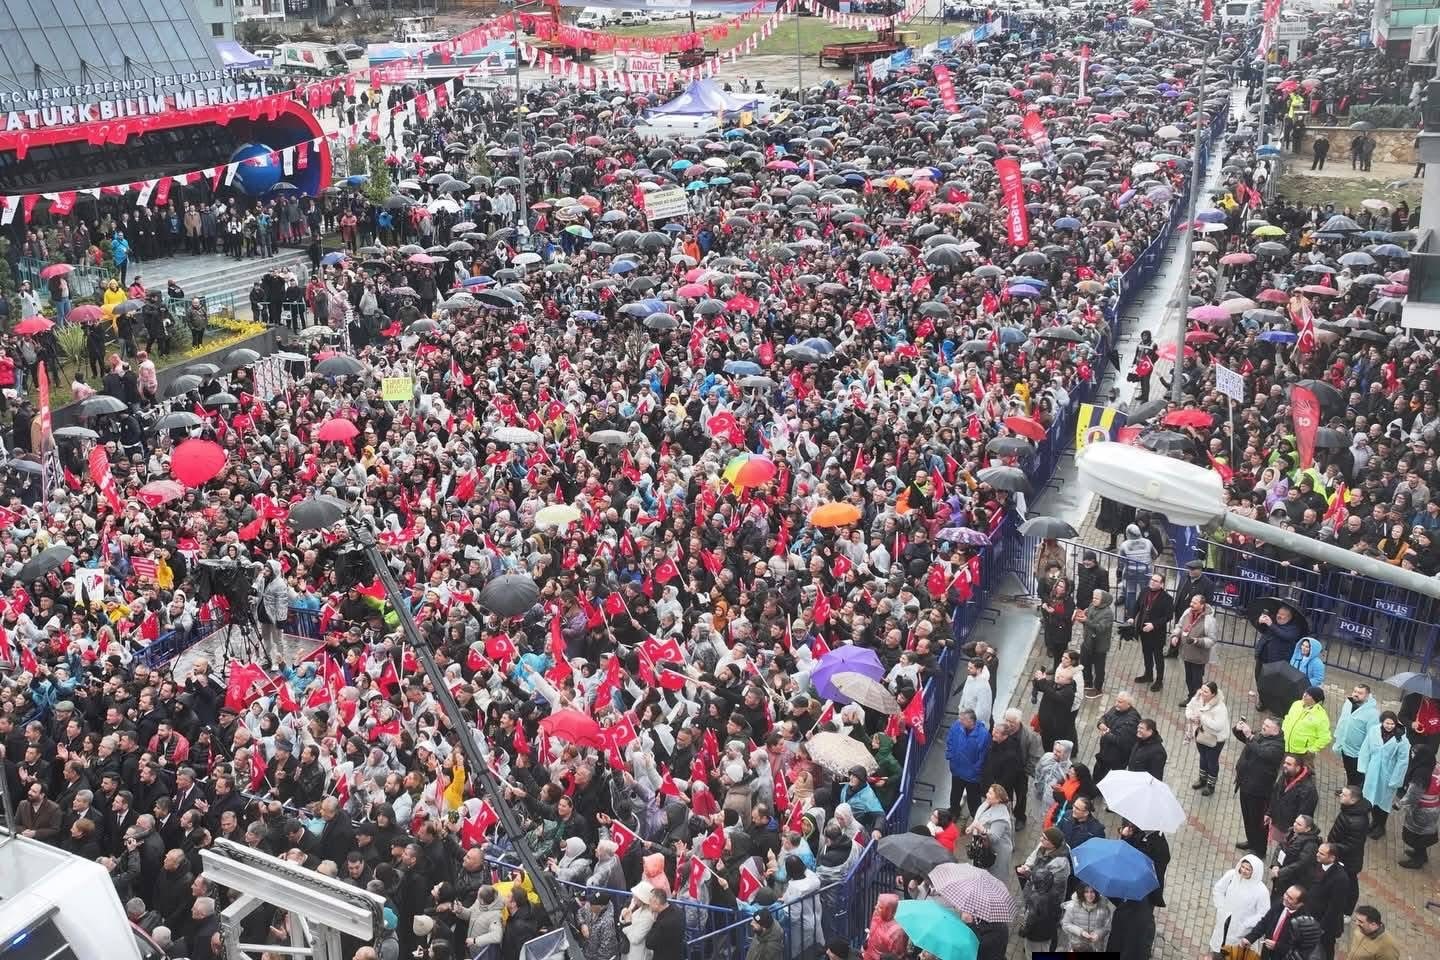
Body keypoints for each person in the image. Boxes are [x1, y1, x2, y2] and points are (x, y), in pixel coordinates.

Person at [1234, 716, 1286, 855]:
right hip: (1245, 784)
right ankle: (1251, 841)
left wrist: (1250, 736)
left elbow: (1262, 753)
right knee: (1247, 817)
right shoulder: (1261, 735)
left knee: (1258, 821)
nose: (1263, 727)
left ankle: (1260, 849)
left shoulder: (1278, 746)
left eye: (1267, 726)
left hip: (1259, 790)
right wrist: (1238, 729)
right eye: (1264, 724)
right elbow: (1246, 739)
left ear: (1276, 730)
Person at [1017, 827, 1071, 954]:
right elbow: (1033, 855)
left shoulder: (1060, 863)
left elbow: (1043, 880)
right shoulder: (1044, 846)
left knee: (1045, 923)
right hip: (1036, 891)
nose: (1041, 839)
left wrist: (1028, 873)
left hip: (1049, 899)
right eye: (1042, 836)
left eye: (1044, 838)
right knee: (1033, 915)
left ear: (1053, 844)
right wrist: (1027, 865)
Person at [1358, 710, 1410, 839]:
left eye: (1392, 724)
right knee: (1371, 800)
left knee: (1383, 803)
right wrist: (1363, 767)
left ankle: (1381, 826)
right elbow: (1366, 748)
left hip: (1388, 774)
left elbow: (1403, 761)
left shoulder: (1401, 738)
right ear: (1382, 722)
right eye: (1387, 723)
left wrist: (1395, 780)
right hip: (1373, 770)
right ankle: (1374, 822)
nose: (1389, 726)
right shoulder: (1374, 731)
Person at [1208, 854, 1269, 960]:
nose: (1244, 871)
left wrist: (1247, 924)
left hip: (1241, 930)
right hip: (1225, 920)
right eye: (1243, 867)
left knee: (1233, 954)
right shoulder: (1232, 875)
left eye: (1248, 869)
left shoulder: (1261, 891)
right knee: (1218, 947)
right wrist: (1221, 907)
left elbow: (1263, 913)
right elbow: (1218, 889)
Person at [1306, 842, 1357, 960]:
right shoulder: (1316, 864)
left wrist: (1321, 927)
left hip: (1325, 925)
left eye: (1322, 854)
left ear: (1332, 857)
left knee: (1325, 949)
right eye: (1318, 851)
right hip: (1310, 915)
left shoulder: (1341, 878)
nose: (1317, 855)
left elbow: (1335, 908)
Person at [1239, 885, 1314, 960]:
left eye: (1290, 898)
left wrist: (1278, 947)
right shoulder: (1279, 904)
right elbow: (1265, 922)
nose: (1285, 898)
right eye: (1286, 894)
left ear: (1300, 904)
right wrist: (1250, 938)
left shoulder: (1305, 922)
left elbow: (1301, 950)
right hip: (1266, 954)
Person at [1184, 681, 1231, 796]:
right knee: (1203, 757)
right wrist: (1192, 716)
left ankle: (1211, 785)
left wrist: (1202, 718)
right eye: (1202, 689)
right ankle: (1202, 779)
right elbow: (1189, 708)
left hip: (1215, 739)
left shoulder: (1220, 707)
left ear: (1213, 694)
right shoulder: (1198, 698)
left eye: (1206, 691)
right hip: (1201, 734)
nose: (1202, 693)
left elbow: (1218, 726)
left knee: (1212, 761)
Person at [1129, 572, 1173, 692]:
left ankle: (1159, 680)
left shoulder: (1167, 598)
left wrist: (1154, 625)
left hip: (1157, 633)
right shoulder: (1144, 591)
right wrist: (1132, 617)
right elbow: (1137, 605)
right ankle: (1148, 675)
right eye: (1152, 579)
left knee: (1158, 657)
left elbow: (1168, 616)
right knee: (1146, 654)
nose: (1152, 582)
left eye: (1156, 581)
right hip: (1143, 630)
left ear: (1162, 584)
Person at [1254, 605, 1302, 713]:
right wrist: (1260, 621)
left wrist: (1271, 624)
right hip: (1262, 658)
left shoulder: (1294, 629)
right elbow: (1261, 629)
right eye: (1278, 613)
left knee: (1272, 685)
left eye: (1282, 615)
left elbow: (1284, 635)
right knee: (1259, 680)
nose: (1279, 616)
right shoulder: (1273, 622)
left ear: (1289, 617)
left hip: (1276, 663)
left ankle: (1271, 704)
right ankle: (1262, 701)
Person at [1170, 594, 1217, 705]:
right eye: (1191, 601)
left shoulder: (1209, 620)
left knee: (1197, 681)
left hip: (1199, 656)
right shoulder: (1187, 612)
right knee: (1188, 679)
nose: (1191, 604)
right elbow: (1180, 626)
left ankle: (1198, 702)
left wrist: (1197, 641)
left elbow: (1212, 640)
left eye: (1195, 603)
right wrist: (1175, 635)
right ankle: (1191, 698)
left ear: (1202, 605)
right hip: (1186, 654)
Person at [1396, 753, 1440, 869]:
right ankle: (1421, 854)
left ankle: (1418, 860)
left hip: (1422, 810)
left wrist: (1399, 804)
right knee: (1424, 834)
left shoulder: (1420, 775)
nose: (1412, 756)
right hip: (1433, 808)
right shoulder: (1436, 768)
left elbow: (1413, 795)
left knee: (1417, 835)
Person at [945, 709, 990, 820]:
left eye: (963, 719)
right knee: (955, 793)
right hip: (957, 770)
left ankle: (977, 818)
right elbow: (950, 740)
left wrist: (976, 769)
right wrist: (950, 755)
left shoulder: (983, 735)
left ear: (971, 721)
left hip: (972, 776)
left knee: (973, 798)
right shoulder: (957, 726)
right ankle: (954, 811)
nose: (960, 721)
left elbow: (983, 755)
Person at [1333, 683, 1379, 788]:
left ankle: (1355, 796)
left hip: (1358, 753)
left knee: (1357, 777)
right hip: (1345, 747)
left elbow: (1372, 736)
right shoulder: (1348, 703)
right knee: (1349, 772)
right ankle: (1349, 790)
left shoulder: (1373, 714)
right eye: (1355, 691)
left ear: (1367, 696)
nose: (1356, 694)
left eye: (1360, 693)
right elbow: (1342, 721)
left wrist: (1366, 753)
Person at [1268, 754, 1319, 848]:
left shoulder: (1308, 790)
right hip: (1279, 822)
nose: (1284, 766)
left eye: (1289, 764)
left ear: (1298, 767)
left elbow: (1304, 814)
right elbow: (1275, 795)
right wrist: (1269, 813)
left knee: (1287, 849)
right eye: (1285, 763)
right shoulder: (1286, 774)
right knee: (1279, 847)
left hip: (1291, 829)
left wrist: (1293, 831)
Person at [967, 784, 1014, 883]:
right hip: (982, 847)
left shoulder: (1000, 818)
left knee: (994, 878)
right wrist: (972, 826)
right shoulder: (988, 803)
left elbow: (994, 837)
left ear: (998, 799)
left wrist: (980, 828)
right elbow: (979, 817)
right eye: (988, 792)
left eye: (990, 793)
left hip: (995, 853)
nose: (987, 794)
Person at [1093, 691, 1139, 785]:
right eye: (1116, 701)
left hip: (1118, 757)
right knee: (1097, 775)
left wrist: (1106, 734)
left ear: (1129, 704)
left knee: (1112, 780)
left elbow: (1121, 740)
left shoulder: (1132, 720)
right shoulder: (1116, 709)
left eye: (1120, 702)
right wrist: (1101, 724)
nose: (1116, 704)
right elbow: (1105, 717)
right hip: (1105, 752)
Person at [1327, 785, 1372, 880]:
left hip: (1347, 862)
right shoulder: (1349, 810)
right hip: (1341, 856)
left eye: (1344, 795)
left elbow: (1351, 845)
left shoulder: (1357, 822)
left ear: (1352, 800)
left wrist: (1331, 848)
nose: (1340, 795)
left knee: (1347, 882)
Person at [1078, 588, 1114, 697]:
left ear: (1103, 600)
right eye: (1093, 597)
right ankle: (1087, 682)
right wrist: (1082, 616)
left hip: (1099, 645)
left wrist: (1086, 621)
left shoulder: (1108, 613)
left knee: (1099, 667)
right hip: (1088, 641)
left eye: (1097, 598)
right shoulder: (1092, 606)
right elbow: (1087, 615)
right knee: (1084, 662)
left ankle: (1098, 688)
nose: (1094, 600)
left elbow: (1100, 628)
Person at [1058, 883, 1112, 953]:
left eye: (1092, 892)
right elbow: (1065, 924)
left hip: (1096, 947)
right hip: (1076, 946)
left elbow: (1107, 927)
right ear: (1081, 892)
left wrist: (1098, 934)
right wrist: (1081, 932)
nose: (1089, 895)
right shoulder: (1072, 906)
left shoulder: (1103, 908)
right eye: (1086, 892)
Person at [1283, 687, 1333, 756]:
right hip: (1284, 747)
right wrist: (1282, 732)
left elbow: (1325, 737)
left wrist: (1311, 750)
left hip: (1301, 754)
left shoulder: (1321, 716)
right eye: (1305, 692)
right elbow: (1287, 718)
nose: (1304, 695)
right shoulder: (1296, 704)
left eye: (1309, 694)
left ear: (1315, 699)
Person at [858, 893, 906, 960]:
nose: (875, 907)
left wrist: (885, 957)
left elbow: (898, 955)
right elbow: (872, 932)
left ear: (889, 910)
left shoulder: (897, 932)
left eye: (880, 907)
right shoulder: (877, 914)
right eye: (877, 904)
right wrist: (866, 943)